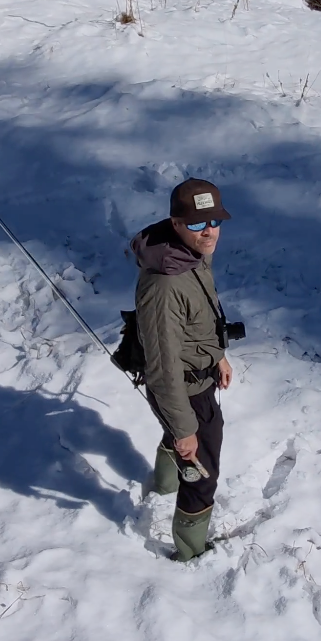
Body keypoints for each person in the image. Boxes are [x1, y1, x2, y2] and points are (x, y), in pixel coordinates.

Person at [133, 178, 234, 561]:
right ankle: (191, 550)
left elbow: (201, 316)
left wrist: (218, 353)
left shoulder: (190, 254)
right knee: (202, 470)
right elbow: (162, 368)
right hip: (185, 389)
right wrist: (185, 429)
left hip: (198, 376)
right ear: (175, 223)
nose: (208, 231)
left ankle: (163, 482)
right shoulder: (164, 287)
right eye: (196, 223)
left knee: (185, 441)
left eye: (214, 221)